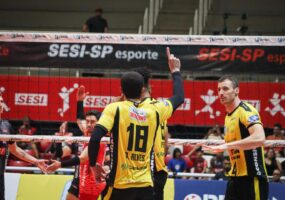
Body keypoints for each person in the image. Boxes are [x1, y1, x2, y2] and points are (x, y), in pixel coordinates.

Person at [88, 47, 184, 200]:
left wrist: (93, 166)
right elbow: (179, 97)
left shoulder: (114, 108)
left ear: (122, 90)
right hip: (145, 184)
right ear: (142, 89)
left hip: (120, 184)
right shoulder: (156, 109)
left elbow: (94, 138)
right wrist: (176, 71)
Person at [203, 75, 268, 200]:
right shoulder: (228, 117)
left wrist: (226, 146)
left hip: (252, 178)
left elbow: (260, 138)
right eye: (219, 90)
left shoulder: (246, 110)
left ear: (236, 90)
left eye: (225, 89)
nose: (221, 93)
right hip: (235, 178)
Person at [48, 87, 107, 200]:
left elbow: (83, 158)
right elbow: (80, 120)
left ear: (99, 123)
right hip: (80, 177)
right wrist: (79, 101)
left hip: (91, 183)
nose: (89, 124)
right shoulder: (87, 133)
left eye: (93, 122)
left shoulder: (98, 138)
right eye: (88, 121)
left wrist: (60, 164)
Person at [0, 94, 47, 200]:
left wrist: (36, 161)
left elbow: (15, 150)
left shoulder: (6, 126)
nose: (0, 104)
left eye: (2, 101)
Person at [133, 67, 169, 200]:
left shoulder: (134, 109)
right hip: (159, 169)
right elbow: (166, 142)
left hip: (144, 170)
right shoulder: (160, 107)